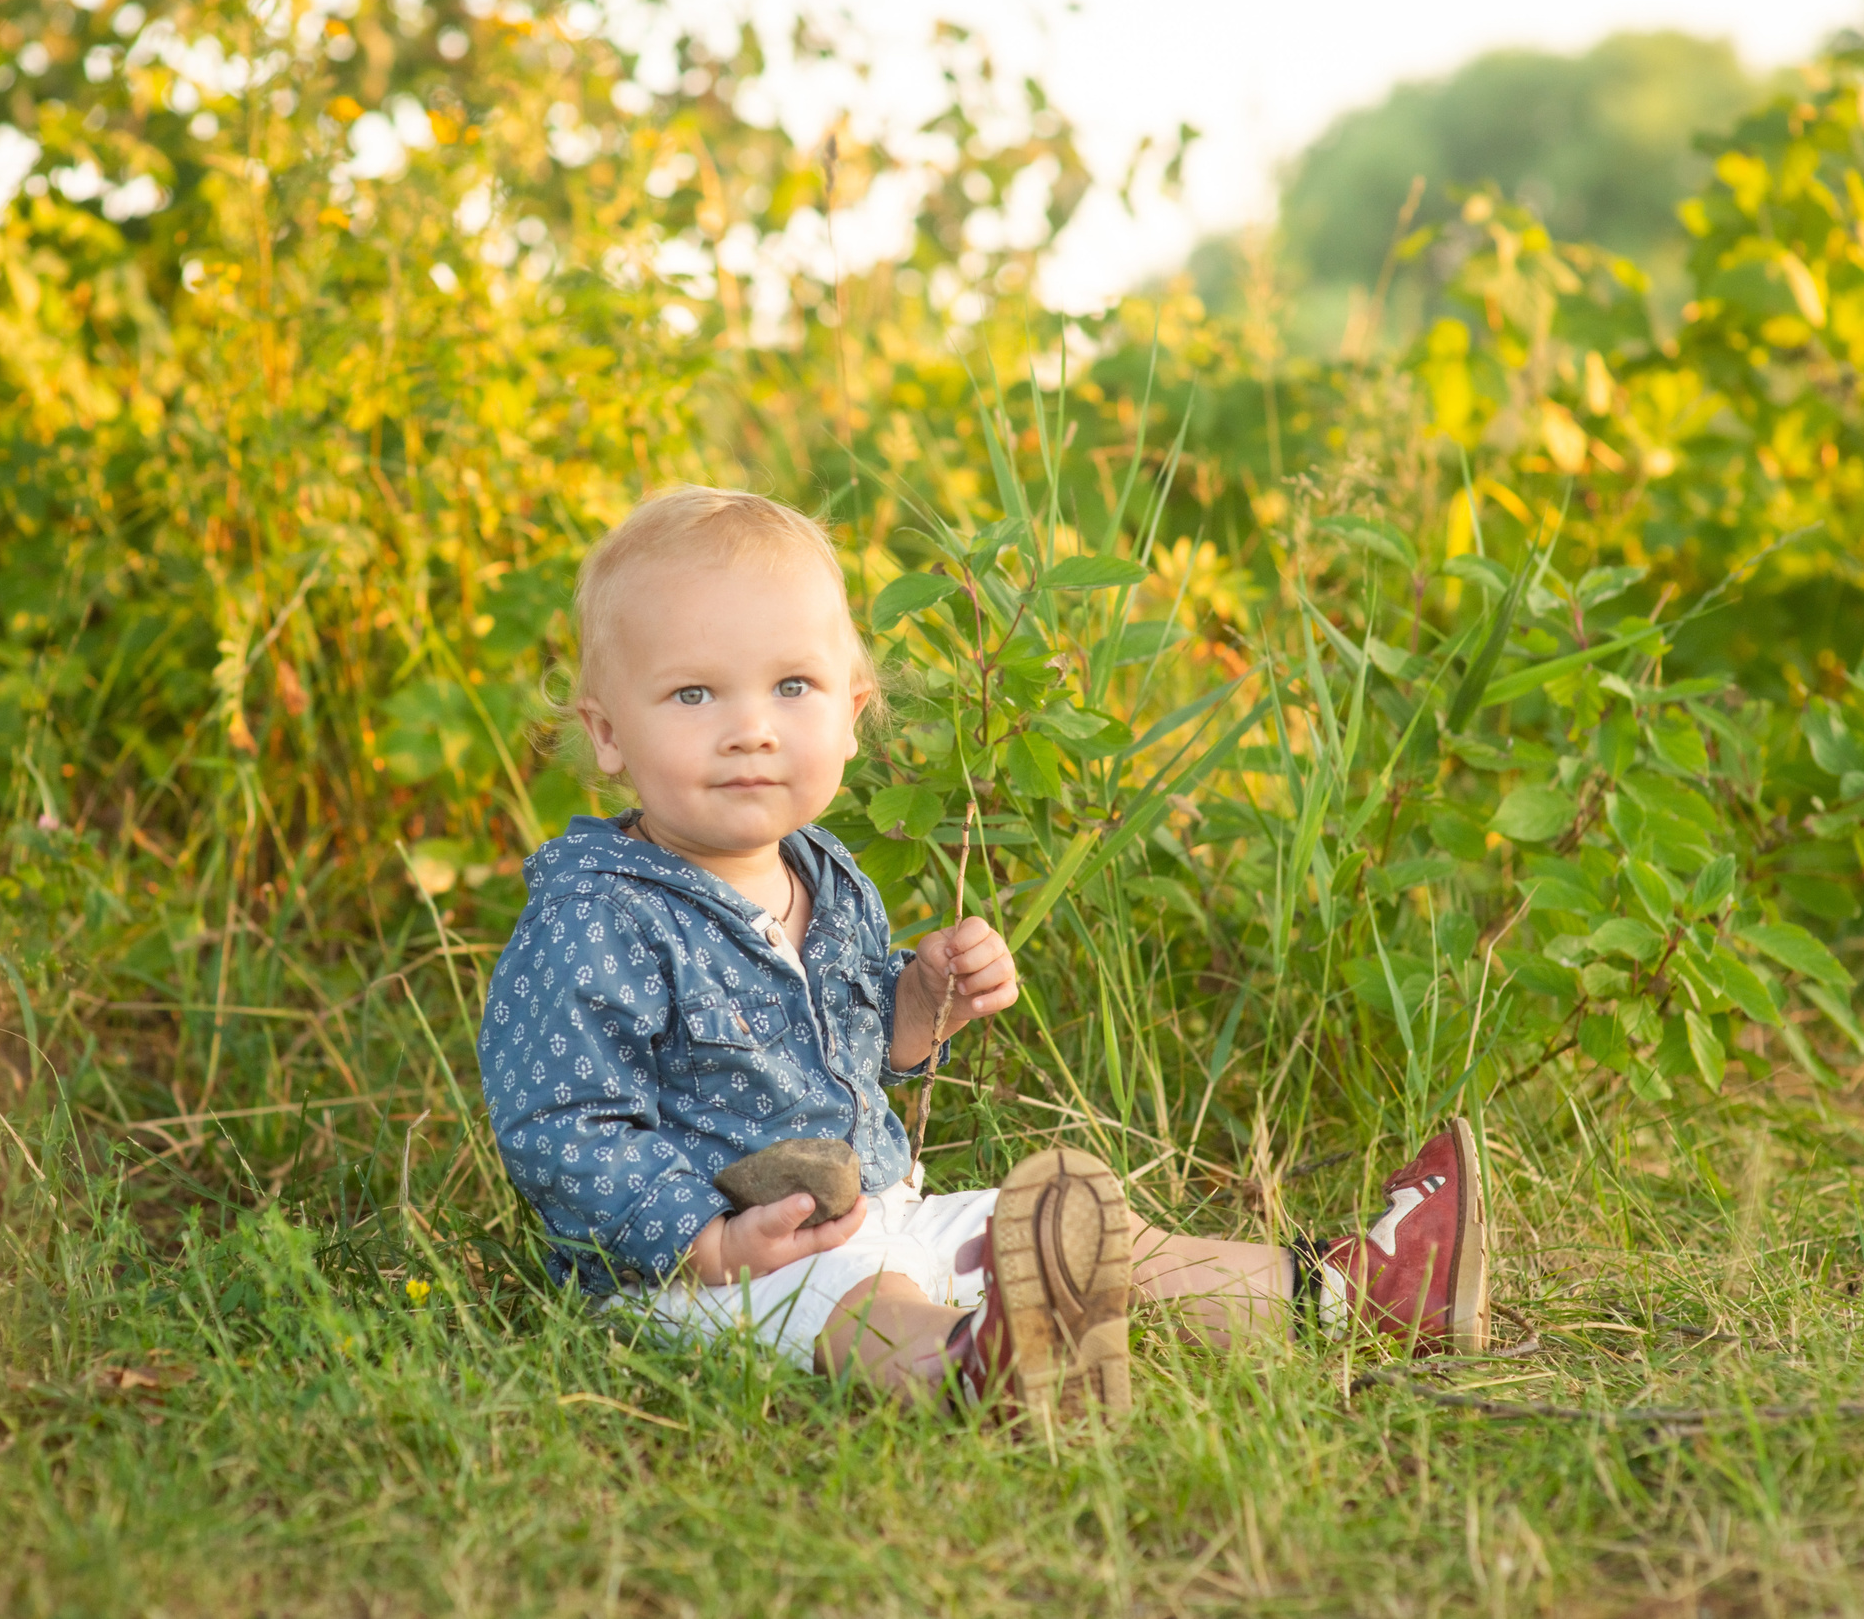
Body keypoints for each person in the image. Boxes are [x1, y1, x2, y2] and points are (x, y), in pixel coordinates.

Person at [476, 486, 1490, 1422]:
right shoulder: (596, 916)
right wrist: (705, 1237)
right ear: (608, 734)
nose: (750, 728)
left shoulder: (824, 877)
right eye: (694, 695)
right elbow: (560, 1123)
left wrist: (920, 1000)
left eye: (792, 685)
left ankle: (1353, 1291)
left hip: (878, 1208)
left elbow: (866, 1052)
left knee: (1067, 1230)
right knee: (864, 1299)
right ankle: (987, 1371)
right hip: (702, 1275)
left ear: (853, 713)